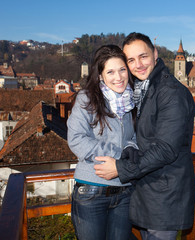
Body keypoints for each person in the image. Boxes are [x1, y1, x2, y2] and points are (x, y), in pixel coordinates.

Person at [94, 32, 195, 240]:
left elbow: (166, 149)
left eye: (143, 56)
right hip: (148, 194)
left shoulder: (170, 92)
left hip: (164, 197)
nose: (138, 64)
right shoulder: (143, 89)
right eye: (131, 60)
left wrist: (120, 168)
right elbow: (144, 137)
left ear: (155, 54)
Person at [67, 44, 137, 240]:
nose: (119, 77)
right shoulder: (86, 99)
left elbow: (134, 138)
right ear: (100, 75)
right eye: (111, 71)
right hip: (91, 191)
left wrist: (129, 151)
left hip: (124, 191)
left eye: (122, 69)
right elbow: (76, 140)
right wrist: (118, 157)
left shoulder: (131, 101)